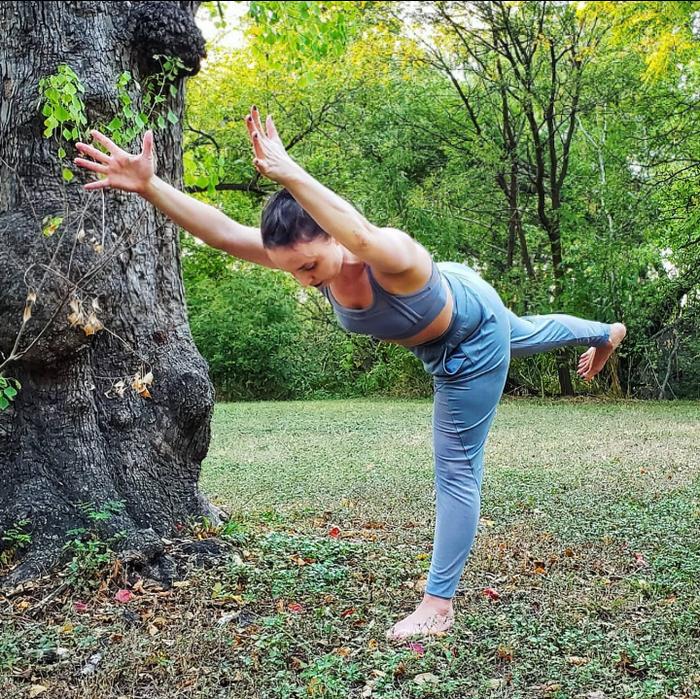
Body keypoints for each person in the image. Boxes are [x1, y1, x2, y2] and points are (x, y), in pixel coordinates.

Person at [74, 107, 626, 641]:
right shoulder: (305, 254)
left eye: (310, 266)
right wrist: (148, 185)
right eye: (292, 270)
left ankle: (438, 606)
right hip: (462, 304)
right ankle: (605, 331)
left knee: (457, 467)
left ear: (332, 237)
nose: (303, 280)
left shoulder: (390, 255)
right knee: (527, 331)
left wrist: (290, 171)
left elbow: (360, 234)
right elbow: (220, 232)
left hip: (468, 342)